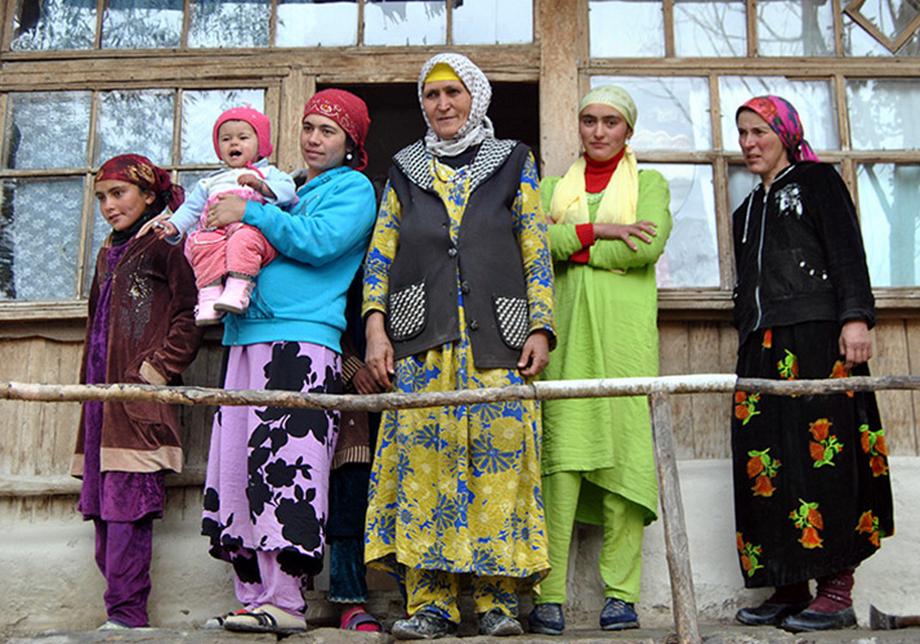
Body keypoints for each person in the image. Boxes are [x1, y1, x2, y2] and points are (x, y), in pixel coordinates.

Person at [363, 52, 555, 640]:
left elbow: (534, 245)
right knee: (425, 470)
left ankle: (497, 604)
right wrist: (375, 327)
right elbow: (381, 254)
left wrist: (541, 326)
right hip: (422, 343)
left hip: (500, 340)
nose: (442, 104)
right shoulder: (405, 169)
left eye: (453, 93)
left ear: (476, 97)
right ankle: (432, 606)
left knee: (499, 466)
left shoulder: (513, 160)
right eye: (432, 95)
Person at [198, 89, 376, 635]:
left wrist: (249, 211)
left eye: (328, 131)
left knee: (287, 467)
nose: (314, 139)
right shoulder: (284, 187)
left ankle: (285, 599)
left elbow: (319, 242)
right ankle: (253, 595)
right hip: (245, 336)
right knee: (237, 469)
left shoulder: (352, 188)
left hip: (300, 341)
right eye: (308, 127)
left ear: (351, 143)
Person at [730, 95, 893, 633]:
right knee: (766, 465)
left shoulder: (818, 183)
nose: (749, 143)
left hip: (819, 341)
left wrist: (855, 318)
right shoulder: (747, 210)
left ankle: (837, 592)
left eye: (759, 132)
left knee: (826, 459)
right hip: (761, 348)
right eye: (743, 134)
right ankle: (789, 585)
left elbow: (847, 252)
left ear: (785, 133)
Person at [530, 85, 672, 635]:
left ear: (627, 130)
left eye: (610, 122)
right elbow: (536, 244)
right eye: (589, 120)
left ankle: (621, 595)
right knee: (561, 463)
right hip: (565, 341)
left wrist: (574, 243)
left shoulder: (649, 185)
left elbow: (645, 247)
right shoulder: (551, 188)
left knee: (624, 463)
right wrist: (604, 232)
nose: (598, 131)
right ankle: (549, 595)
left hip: (624, 341)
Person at [72, 153, 202, 630]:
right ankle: (118, 612)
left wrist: (156, 371)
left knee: (128, 507)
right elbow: (95, 321)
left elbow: (189, 314)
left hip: (138, 401)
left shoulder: (165, 244)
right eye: (102, 198)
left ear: (148, 196)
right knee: (102, 510)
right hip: (100, 402)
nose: (109, 206)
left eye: (119, 193)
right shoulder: (107, 251)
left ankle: (128, 615)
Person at [150, 106, 296, 326]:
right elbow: (191, 208)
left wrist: (261, 186)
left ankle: (238, 288)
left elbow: (289, 192)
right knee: (201, 243)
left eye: (243, 138)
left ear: (261, 144)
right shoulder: (211, 181)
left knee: (243, 239)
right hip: (216, 233)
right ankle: (209, 296)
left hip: (252, 234)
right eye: (226, 139)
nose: (234, 143)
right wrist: (174, 225)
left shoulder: (269, 173)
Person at [326, 276, 384, 632]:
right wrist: (353, 368)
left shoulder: (406, 256)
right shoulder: (346, 261)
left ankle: (420, 600)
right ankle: (350, 600)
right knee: (349, 498)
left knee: (405, 499)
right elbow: (329, 319)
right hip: (353, 403)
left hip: (401, 388)